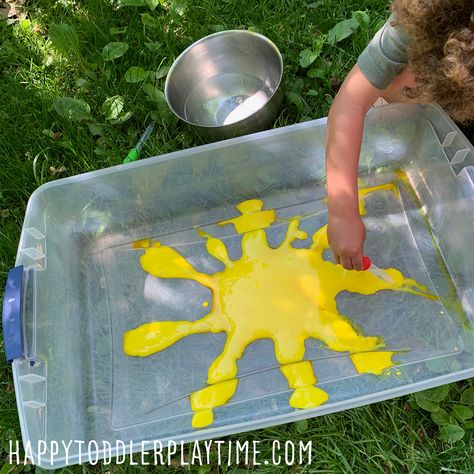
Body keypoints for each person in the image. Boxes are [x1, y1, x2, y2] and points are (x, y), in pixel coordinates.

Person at [325, 0, 474, 271]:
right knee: (401, 83)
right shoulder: (421, 20)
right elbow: (350, 101)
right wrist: (341, 211)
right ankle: (411, 100)